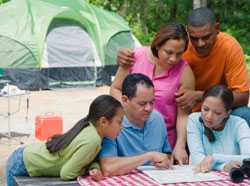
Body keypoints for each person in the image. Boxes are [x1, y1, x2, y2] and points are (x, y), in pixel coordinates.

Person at [117, 7, 250, 126]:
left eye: (206, 37)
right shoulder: (180, 45)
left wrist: (200, 96)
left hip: (216, 110)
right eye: (194, 38)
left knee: (244, 114)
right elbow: (155, 52)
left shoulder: (229, 47)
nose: (200, 43)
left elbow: (243, 96)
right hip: (186, 113)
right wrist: (125, 56)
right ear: (187, 31)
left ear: (217, 29)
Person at [110, 22, 195, 165]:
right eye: (168, 52)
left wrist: (180, 145)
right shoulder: (134, 57)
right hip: (128, 134)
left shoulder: (185, 72)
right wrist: (128, 113)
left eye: (179, 53)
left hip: (162, 141)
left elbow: (183, 114)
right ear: (157, 45)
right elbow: (115, 88)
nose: (174, 59)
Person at [6, 95, 124, 186]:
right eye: (119, 122)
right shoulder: (93, 140)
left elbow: (85, 159)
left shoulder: (91, 130)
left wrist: (94, 168)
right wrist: (86, 170)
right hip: (21, 164)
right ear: (103, 122)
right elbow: (67, 173)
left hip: (22, 156)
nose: (122, 127)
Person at [100, 73, 172, 176]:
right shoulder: (112, 123)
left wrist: (166, 160)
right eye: (142, 104)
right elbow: (108, 168)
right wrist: (149, 156)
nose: (149, 109)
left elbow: (167, 154)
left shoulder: (157, 119)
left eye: (152, 102)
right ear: (125, 100)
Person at [187, 85, 250, 173]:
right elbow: (197, 159)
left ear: (227, 113)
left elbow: (248, 158)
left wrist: (215, 157)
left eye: (217, 113)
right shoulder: (194, 120)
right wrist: (223, 166)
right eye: (205, 109)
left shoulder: (239, 124)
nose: (209, 116)